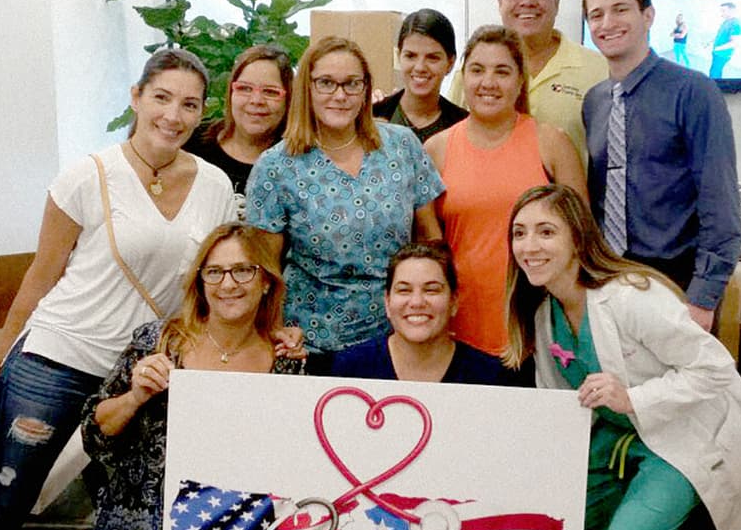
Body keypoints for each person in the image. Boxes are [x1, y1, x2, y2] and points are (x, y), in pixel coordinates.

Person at [0, 48, 239, 530]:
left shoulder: (214, 185)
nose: (173, 115)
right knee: (10, 498)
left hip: (142, 368)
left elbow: (215, 281)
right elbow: (40, 278)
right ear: (136, 97)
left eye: (188, 104)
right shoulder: (86, 176)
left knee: (137, 500)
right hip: (59, 355)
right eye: (161, 98)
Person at [503, 184, 741, 530]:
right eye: (519, 233)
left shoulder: (631, 296)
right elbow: (558, 400)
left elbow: (714, 368)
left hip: (679, 438)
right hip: (611, 440)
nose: (529, 246)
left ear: (577, 238)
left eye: (545, 232)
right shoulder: (543, 312)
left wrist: (633, 397)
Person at [581, 0, 741, 530]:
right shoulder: (595, 100)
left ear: (648, 16)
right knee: (639, 427)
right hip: (616, 285)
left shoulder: (693, 93)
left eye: (621, 9)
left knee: (699, 437)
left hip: (679, 284)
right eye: (596, 13)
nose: (609, 21)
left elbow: (721, 205)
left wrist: (703, 299)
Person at [81, 223, 303, 530]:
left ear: (265, 281)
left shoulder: (286, 361)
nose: (228, 284)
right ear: (200, 282)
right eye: (214, 272)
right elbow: (94, 433)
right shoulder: (158, 342)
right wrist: (134, 396)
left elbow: (291, 466)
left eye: (243, 270)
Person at [245, 36, 445, 375]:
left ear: (367, 88)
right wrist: (277, 332)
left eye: (352, 83)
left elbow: (431, 241)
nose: (340, 95)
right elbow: (265, 270)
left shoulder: (402, 146)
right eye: (326, 83)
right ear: (306, 87)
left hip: (398, 339)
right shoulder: (276, 166)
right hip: (311, 344)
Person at [424, 25, 586, 359]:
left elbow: (583, 239)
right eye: (477, 70)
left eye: (502, 71)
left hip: (539, 328)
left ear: (519, 80)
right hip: (458, 328)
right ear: (463, 77)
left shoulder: (551, 143)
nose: (488, 82)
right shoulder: (437, 149)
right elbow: (426, 246)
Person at [447, 0, 608, 165]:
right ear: (500, 1)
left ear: (556, 1)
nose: (527, 1)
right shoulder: (473, 73)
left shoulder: (598, 70)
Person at [330, 241, 509, 385]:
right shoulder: (350, 369)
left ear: (454, 301)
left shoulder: (491, 377)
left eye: (431, 290)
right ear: (387, 302)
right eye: (404, 290)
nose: (416, 302)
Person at [183, 45, 293, 219]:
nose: (256, 100)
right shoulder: (191, 143)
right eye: (245, 88)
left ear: (289, 100)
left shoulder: (297, 163)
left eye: (270, 92)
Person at [372, 9, 468, 144]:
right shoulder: (372, 116)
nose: (420, 67)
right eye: (410, 56)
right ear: (399, 57)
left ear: (450, 63)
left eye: (432, 58)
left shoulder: (464, 125)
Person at [708, 2, 741, 79]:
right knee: (716, 71)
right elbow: (720, 35)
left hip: (723, 54)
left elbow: (735, 43)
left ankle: (713, 89)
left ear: (732, 11)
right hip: (717, 53)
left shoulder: (736, 24)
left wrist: (717, 48)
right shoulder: (726, 21)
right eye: (721, 10)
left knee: (714, 74)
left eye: (723, 11)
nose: (721, 13)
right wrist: (710, 42)